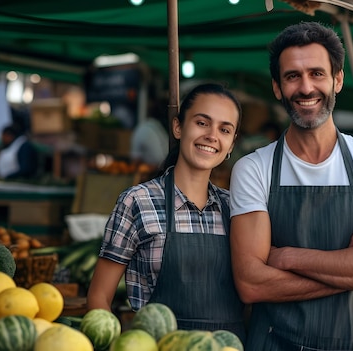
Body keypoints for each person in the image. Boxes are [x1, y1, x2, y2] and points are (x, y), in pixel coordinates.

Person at [229, 22, 353, 350]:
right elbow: (252, 284)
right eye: (292, 76)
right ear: (277, 88)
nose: (306, 87)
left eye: (317, 73)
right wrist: (351, 264)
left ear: (337, 80)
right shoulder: (253, 169)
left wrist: (289, 257)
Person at [86, 83, 246, 339]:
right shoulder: (137, 202)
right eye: (202, 123)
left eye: (224, 129)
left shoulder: (237, 209)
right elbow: (99, 297)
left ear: (231, 144)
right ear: (178, 127)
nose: (212, 135)